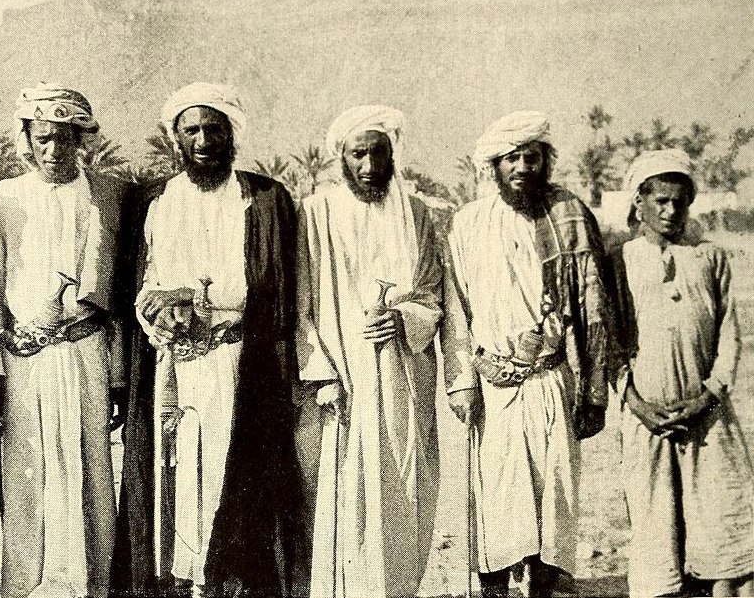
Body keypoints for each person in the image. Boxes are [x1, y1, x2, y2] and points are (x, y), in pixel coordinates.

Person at [113, 82, 304, 598]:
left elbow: (269, 285)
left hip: (237, 361)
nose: (203, 140)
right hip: (171, 363)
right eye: (191, 130)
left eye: (213, 129)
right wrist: (158, 312)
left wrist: (194, 294)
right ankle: (180, 578)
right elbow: (139, 282)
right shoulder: (154, 200)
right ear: (176, 138)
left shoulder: (263, 199)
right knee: (174, 471)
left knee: (228, 468)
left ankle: (225, 580)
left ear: (231, 135)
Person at [441, 110, 611, 598]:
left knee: (550, 498)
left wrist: (594, 393)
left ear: (545, 162)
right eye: (511, 158)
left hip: (550, 381)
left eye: (531, 157)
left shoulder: (569, 216)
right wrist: (464, 382)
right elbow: (458, 311)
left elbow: (594, 309)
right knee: (496, 503)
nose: (522, 167)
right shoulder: (469, 223)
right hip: (493, 386)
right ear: (493, 166)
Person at [0, 84, 128, 598]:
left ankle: (92, 581)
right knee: (25, 465)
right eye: (43, 139)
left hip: (86, 352)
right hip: (25, 357)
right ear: (27, 139)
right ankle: (23, 584)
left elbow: (117, 295)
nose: (53, 150)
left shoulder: (106, 197)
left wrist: (118, 376)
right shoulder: (4, 199)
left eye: (64, 138)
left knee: (90, 462)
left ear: (79, 139)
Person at [297, 105, 442, 598]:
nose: (369, 165)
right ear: (341, 156)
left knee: (403, 479)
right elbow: (303, 298)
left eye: (378, 153)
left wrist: (402, 318)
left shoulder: (416, 213)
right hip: (344, 370)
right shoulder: (316, 212)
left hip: (404, 372)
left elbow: (430, 294)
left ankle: (399, 587)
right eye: (358, 153)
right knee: (345, 484)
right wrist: (323, 372)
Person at [610, 149, 753, 598]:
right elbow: (608, 342)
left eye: (680, 202)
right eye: (661, 202)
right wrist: (639, 407)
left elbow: (730, 335)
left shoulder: (711, 257)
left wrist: (707, 397)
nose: (671, 211)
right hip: (646, 419)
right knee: (658, 534)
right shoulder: (620, 261)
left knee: (728, 530)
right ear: (640, 203)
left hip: (708, 416)